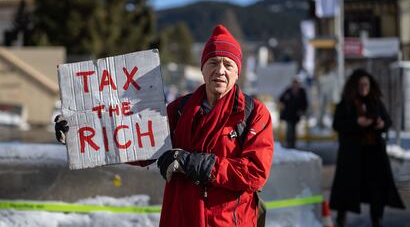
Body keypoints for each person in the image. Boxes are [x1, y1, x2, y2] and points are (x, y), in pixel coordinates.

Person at [55, 25, 274, 227]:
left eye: (228, 64)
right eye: (213, 62)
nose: (220, 70)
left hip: (229, 222)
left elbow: (255, 174)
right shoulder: (179, 109)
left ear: (237, 72)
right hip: (180, 218)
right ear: (202, 68)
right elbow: (137, 144)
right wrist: (78, 131)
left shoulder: (254, 113)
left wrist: (192, 163)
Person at [329, 68, 405, 227]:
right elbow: (337, 125)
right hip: (352, 155)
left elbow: (387, 120)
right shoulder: (346, 104)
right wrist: (356, 123)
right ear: (354, 86)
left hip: (374, 154)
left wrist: (381, 124)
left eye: (366, 84)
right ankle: (341, 218)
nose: (364, 87)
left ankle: (377, 219)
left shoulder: (375, 102)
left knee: (377, 189)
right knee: (347, 188)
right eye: (361, 84)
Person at [278, 79, 308, 148]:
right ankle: (289, 143)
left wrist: (302, 110)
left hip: (296, 114)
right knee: (289, 128)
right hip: (289, 113)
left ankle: (292, 143)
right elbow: (281, 99)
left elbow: (305, 103)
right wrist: (282, 105)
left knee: (293, 128)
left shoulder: (301, 92)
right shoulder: (288, 91)